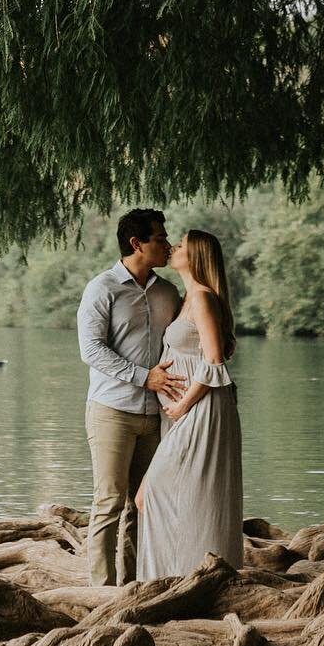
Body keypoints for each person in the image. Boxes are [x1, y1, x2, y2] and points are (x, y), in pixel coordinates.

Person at [77, 208, 184, 585]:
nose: (168, 245)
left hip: (157, 415)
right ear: (137, 243)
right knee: (109, 502)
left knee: (145, 504)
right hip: (112, 411)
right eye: (160, 238)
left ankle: (135, 586)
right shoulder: (102, 288)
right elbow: (91, 349)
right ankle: (102, 592)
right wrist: (144, 378)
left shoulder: (169, 292)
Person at [134, 229, 242, 580]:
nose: (173, 248)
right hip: (185, 413)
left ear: (195, 256)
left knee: (151, 494)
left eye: (180, 245)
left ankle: (194, 577)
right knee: (179, 494)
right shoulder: (186, 298)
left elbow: (213, 360)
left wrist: (183, 407)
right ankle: (173, 577)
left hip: (201, 409)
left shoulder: (203, 299)